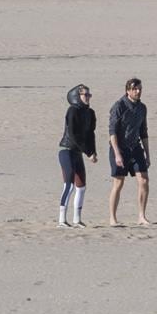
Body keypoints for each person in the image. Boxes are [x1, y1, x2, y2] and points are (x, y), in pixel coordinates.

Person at [107, 78, 151, 227]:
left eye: (139, 89)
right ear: (128, 90)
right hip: (119, 148)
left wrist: (147, 154)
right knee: (119, 182)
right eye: (134, 89)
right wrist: (117, 154)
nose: (138, 91)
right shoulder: (118, 106)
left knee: (144, 180)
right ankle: (113, 218)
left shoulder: (142, 108)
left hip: (136, 148)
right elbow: (112, 131)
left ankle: (141, 216)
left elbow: (143, 132)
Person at [57, 84, 97, 228]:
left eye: (89, 95)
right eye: (84, 95)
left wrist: (93, 151)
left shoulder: (90, 113)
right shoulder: (72, 111)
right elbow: (73, 135)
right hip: (67, 150)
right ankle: (61, 220)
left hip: (78, 152)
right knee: (69, 185)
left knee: (81, 186)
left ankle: (77, 219)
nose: (87, 97)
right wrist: (88, 152)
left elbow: (90, 134)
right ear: (77, 96)